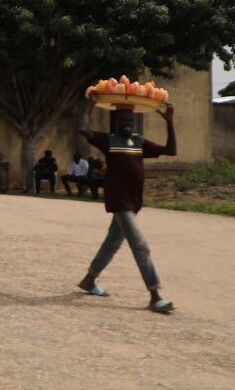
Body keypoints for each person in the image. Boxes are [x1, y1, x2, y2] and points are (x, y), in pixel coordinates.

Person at [76, 97, 177, 314]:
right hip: (119, 201)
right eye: (122, 120)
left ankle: (89, 280)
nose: (127, 123)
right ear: (115, 122)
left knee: (111, 243)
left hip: (133, 202)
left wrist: (169, 121)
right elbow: (82, 129)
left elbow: (171, 150)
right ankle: (155, 295)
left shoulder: (139, 142)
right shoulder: (108, 140)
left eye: (130, 120)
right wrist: (90, 104)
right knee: (140, 246)